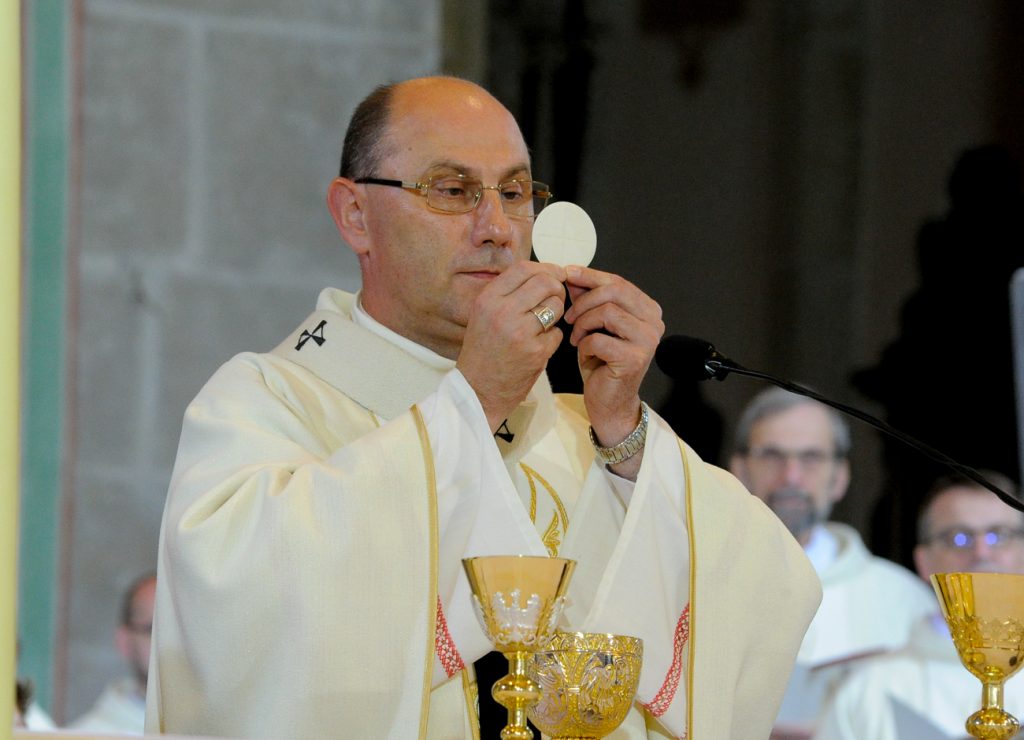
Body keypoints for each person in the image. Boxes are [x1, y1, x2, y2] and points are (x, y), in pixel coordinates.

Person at [146, 75, 821, 739]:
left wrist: (626, 438)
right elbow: (238, 609)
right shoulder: (267, 402)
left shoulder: (587, 428)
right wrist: (474, 401)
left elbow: (774, 591)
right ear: (355, 215)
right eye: (452, 190)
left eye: (515, 193)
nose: (497, 229)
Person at [730, 387, 935, 738]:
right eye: (772, 455)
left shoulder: (903, 600)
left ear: (840, 478)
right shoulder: (695, 581)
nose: (791, 476)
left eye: (811, 457)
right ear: (738, 471)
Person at [814, 472, 1024, 739]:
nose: (981, 552)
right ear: (924, 561)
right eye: (959, 538)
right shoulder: (868, 690)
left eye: (1000, 536)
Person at [69, 572, 155, 734]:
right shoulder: (87, 735)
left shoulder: (206, 727)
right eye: (153, 630)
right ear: (124, 641)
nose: (171, 643)